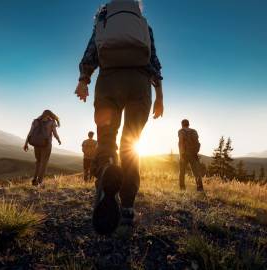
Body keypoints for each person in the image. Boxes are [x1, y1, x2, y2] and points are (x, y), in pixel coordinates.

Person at [75, 0, 164, 235]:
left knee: (106, 139)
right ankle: (126, 208)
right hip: (139, 84)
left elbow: (91, 53)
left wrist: (83, 80)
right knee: (130, 144)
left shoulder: (103, 22)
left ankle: (105, 171)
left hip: (108, 82)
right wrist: (160, 97)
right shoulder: (144, 25)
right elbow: (154, 63)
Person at [23, 110, 62, 186]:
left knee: (38, 161)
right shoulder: (52, 122)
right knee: (44, 163)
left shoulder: (35, 121)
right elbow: (55, 133)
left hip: (36, 143)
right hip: (46, 145)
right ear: (50, 115)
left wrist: (26, 143)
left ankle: (34, 179)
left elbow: (30, 132)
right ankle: (39, 182)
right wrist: (58, 139)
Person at [178, 119, 204, 192]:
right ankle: (200, 189)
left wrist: (181, 154)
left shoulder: (181, 131)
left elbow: (181, 142)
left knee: (182, 172)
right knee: (196, 172)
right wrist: (196, 152)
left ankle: (182, 189)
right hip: (193, 154)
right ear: (188, 124)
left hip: (184, 154)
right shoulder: (194, 131)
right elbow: (198, 143)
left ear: (182, 124)